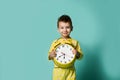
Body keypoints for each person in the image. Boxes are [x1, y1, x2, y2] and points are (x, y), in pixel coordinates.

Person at [48, 14, 83, 80]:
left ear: (72, 28)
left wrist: (77, 53)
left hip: (70, 71)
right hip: (58, 72)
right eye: (62, 28)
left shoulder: (75, 42)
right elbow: (49, 55)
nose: (65, 30)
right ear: (58, 29)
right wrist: (51, 55)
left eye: (67, 27)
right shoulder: (55, 42)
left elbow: (80, 56)